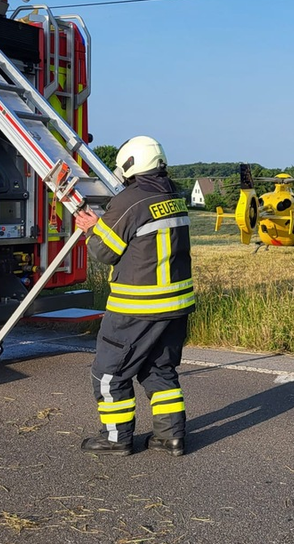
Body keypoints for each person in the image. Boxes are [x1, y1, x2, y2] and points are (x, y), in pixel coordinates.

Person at [74, 136, 195, 456]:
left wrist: (92, 228)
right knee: (158, 369)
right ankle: (170, 437)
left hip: (138, 305)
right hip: (176, 304)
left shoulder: (130, 199)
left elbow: (104, 251)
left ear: (130, 164)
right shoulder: (174, 196)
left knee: (108, 372)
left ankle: (116, 438)